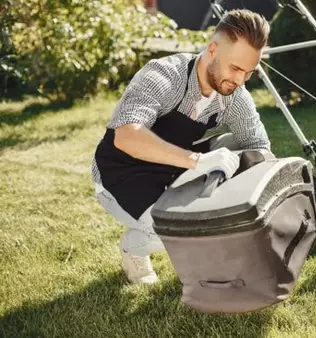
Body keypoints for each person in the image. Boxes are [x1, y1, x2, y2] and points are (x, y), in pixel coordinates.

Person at [91, 9, 272, 284]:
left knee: (244, 150)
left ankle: (203, 220)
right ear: (213, 50)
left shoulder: (235, 95)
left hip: (171, 168)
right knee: (177, 233)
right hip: (119, 175)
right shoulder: (163, 75)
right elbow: (126, 135)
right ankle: (133, 246)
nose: (240, 81)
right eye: (235, 68)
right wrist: (198, 161)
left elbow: (260, 148)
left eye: (248, 72)